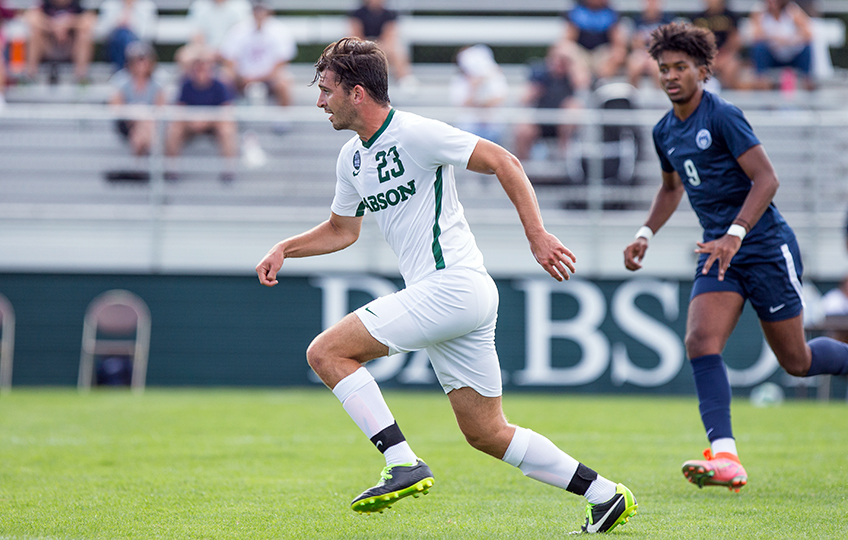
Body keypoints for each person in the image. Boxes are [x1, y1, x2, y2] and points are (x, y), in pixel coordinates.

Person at [256, 37, 638, 534]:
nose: (319, 102)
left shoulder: (416, 132)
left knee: (326, 353)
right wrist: (286, 248)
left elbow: (505, 161)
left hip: (452, 286)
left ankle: (401, 461)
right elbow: (342, 230)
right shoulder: (351, 158)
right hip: (456, 296)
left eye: (326, 90)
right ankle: (605, 494)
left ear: (357, 93)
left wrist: (537, 235)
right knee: (486, 432)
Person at [623, 22, 848, 492]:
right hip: (718, 250)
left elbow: (767, 179)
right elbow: (671, 189)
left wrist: (735, 234)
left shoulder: (723, 115)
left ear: (703, 70)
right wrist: (645, 233)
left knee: (798, 361)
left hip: (764, 248)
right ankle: (725, 457)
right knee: (700, 341)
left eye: (680, 67)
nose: (670, 76)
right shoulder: (664, 130)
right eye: (664, 68)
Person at [165, 47, 239, 182]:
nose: (201, 69)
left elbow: (227, 109)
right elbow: (179, 108)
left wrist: (206, 120)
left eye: (205, 66)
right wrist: (193, 120)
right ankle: (171, 169)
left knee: (227, 129)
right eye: (198, 66)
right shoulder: (186, 85)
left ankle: (229, 170)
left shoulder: (219, 85)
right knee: (174, 128)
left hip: (213, 123)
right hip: (190, 123)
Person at [513, 41, 588, 160]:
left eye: (563, 59)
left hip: (564, 125)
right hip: (540, 121)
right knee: (523, 130)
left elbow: (582, 84)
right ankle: (521, 166)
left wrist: (572, 62)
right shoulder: (540, 73)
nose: (558, 62)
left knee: (572, 109)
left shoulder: (572, 76)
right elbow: (524, 98)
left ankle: (565, 161)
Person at [220, 0, 296, 108]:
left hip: (270, 78)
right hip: (241, 77)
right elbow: (229, 59)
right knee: (224, 78)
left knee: (284, 82)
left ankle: (284, 116)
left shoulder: (280, 30)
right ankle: (227, 113)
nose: (259, 13)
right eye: (257, 10)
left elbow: (281, 62)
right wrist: (241, 76)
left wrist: (260, 78)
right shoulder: (238, 30)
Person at [110, 41, 165, 156]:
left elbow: (161, 108)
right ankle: (155, 161)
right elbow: (116, 107)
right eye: (138, 60)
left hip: (150, 124)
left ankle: (139, 162)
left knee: (143, 130)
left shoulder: (157, 82)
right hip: (127, 123)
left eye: (145, 59)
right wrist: (136, 112)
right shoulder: (121, 80)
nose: (142, 63)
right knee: (145, 124)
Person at [23, 0, 97, 84]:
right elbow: (31, 17)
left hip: (70, 48)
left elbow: (89, 21)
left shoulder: (77, 5)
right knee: (35, 33)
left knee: (84, 35)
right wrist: (53, 26)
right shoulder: (45, 4)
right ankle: (30, 75)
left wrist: (69, 23)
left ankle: (81, 76)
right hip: (49, 47)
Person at [448, 44, 508, 145]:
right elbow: (463, 103)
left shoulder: (495, 77)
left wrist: (480, 102)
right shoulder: (459, 80)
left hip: (492, 125)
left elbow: (498, 99)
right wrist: (474, 88)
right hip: (468, 126)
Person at [748, 0, 813, 90]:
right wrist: (774, 38)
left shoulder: (793, 10)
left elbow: (808, 34)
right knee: (760, 48)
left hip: (792, 54)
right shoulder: (760, 12)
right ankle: (761, 80)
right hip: (772, 55)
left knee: (807, 48)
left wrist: (789, 40)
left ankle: (807, 80)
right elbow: (756, 35)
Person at [174, 0, 250, 75]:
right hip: (206, 50)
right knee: (185, 57)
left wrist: (224, 52)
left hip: (231, 52)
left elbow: (243, 36)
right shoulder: (199, 5)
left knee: (236, 61)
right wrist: (208, 52)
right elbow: (196, 36)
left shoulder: (240, 5)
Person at [348, 0, 413, 86]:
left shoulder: (389, 14)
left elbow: (389, 36)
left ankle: (404, 79)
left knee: (396, 50)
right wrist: (369, 46)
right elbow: (356, 36)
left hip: (382, 46)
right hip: (362, 46)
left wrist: (376, 46)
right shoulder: (357, 13)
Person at [561, 0, 628, 82]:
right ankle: (582, 86)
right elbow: (568, 39)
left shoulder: (611, 13)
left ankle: (601, 82)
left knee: (618, 53)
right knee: (565, 50)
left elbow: (618, 42)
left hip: (602, 54)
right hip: (581, 54)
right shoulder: (576, 12)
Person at [692, 0, 744, 89]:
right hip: (704, 56)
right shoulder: (697, 18)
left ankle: (728, 94)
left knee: (730, 67)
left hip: (725, 56)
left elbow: (734, 40)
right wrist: (708, 57)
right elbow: (694, 42)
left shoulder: (730, 16)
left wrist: (723, 55)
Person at [95, 0, 157, 72]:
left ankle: (121, 71)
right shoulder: (109, 4)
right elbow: (103, 32)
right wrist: (117, 24)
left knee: (125, 36)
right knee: (122, 35)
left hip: (137, 43)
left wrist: (130, 24)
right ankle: (127, 70)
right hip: (114, 44)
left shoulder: (147, 5)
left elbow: (147, 34)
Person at [625, 0, 674, 87]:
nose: (651, 6)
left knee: (657, 67)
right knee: (634, 65)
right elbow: (633, 44)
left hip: (659, 52)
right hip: (641, 52)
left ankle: (660, 93)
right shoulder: (637, 20)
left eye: (654, 2)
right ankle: (632, 91)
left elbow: (669, 43)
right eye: (649, 2)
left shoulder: (667, 21)